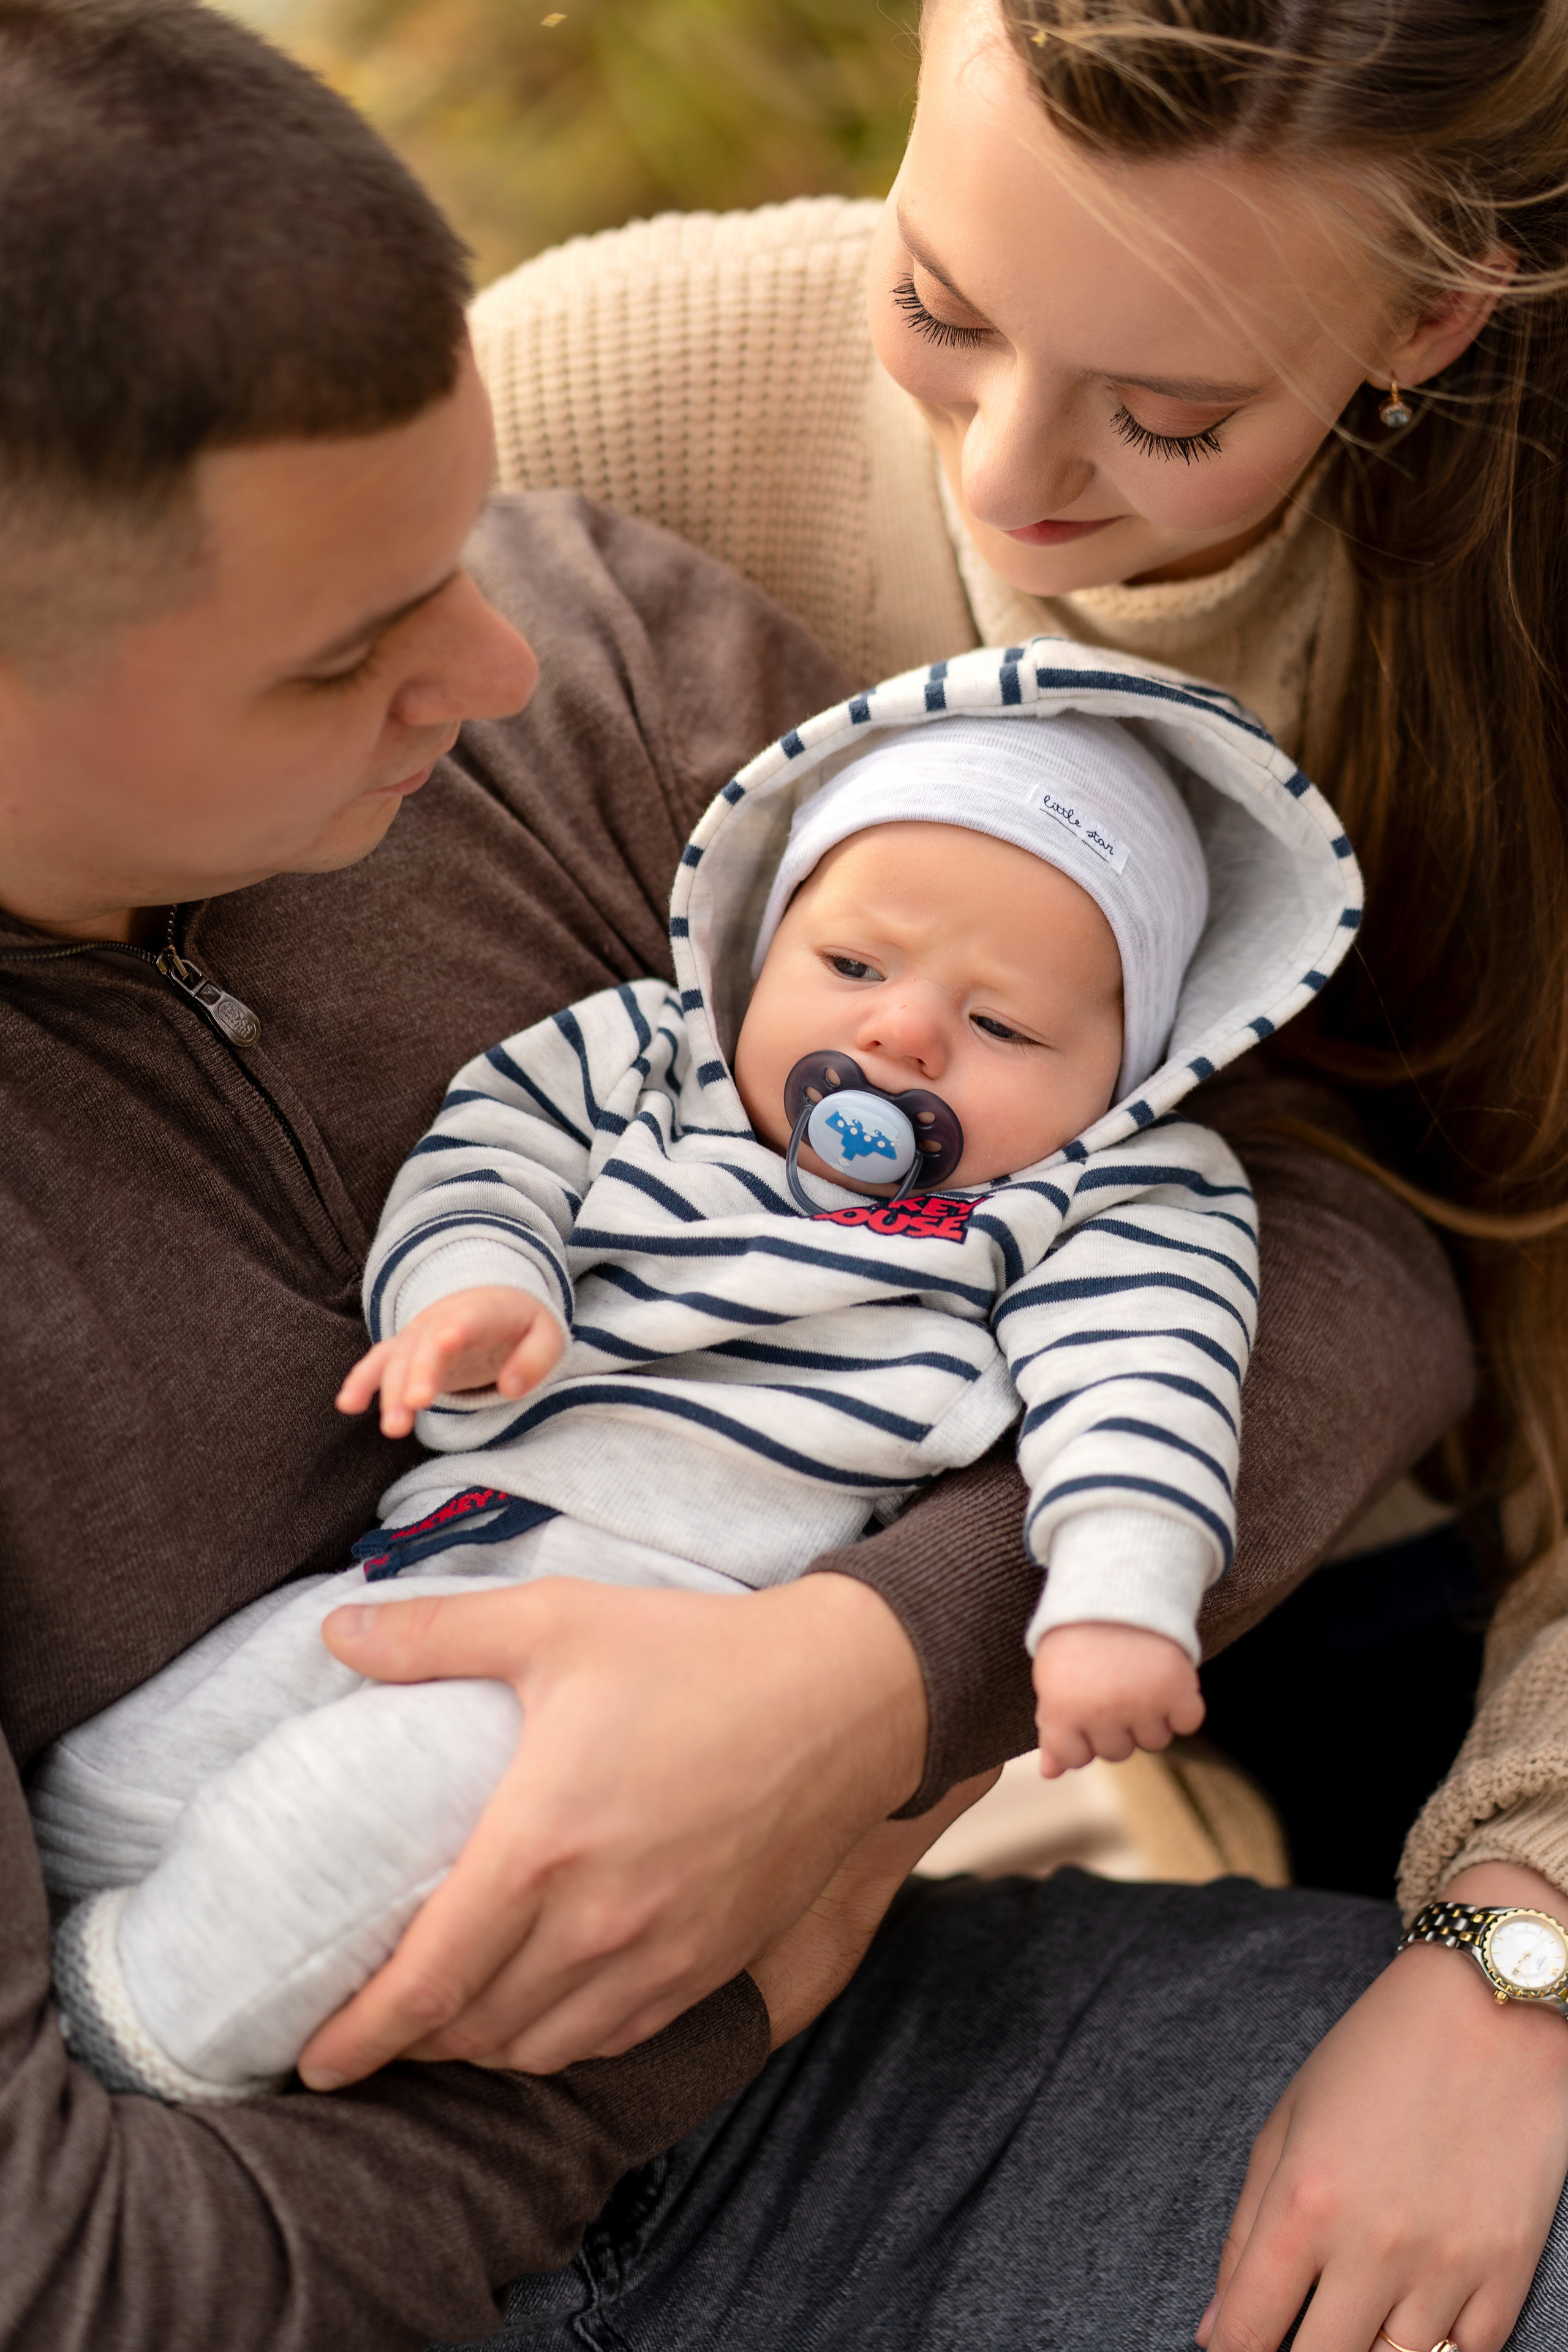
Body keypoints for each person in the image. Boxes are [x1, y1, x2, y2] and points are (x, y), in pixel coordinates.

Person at [0, 3, 1513, 2350]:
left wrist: (859, 1704)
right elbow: (78, 2263)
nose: (495, 660)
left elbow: (1319, 1244)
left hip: (878, 2097)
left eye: (461, 545)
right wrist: (728, 1932)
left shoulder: (590, 644)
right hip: (322, 2220)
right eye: (351, 654)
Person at [37, 680, 1363, 2106]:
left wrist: (1117, 1600)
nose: (905, 1036)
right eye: (851, 962)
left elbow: (1146, 1390)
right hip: (445, 1545)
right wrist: (474, 1287)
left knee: (362, 1815)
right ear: (765, 934)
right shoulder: (651, 1051)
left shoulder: (1103, 1195)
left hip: (675, 1657)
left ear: (1125, 1071)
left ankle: (142, 2034)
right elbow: (493, 1152)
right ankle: (90, 1960)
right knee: (122, 1776)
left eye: (1003, 1024)